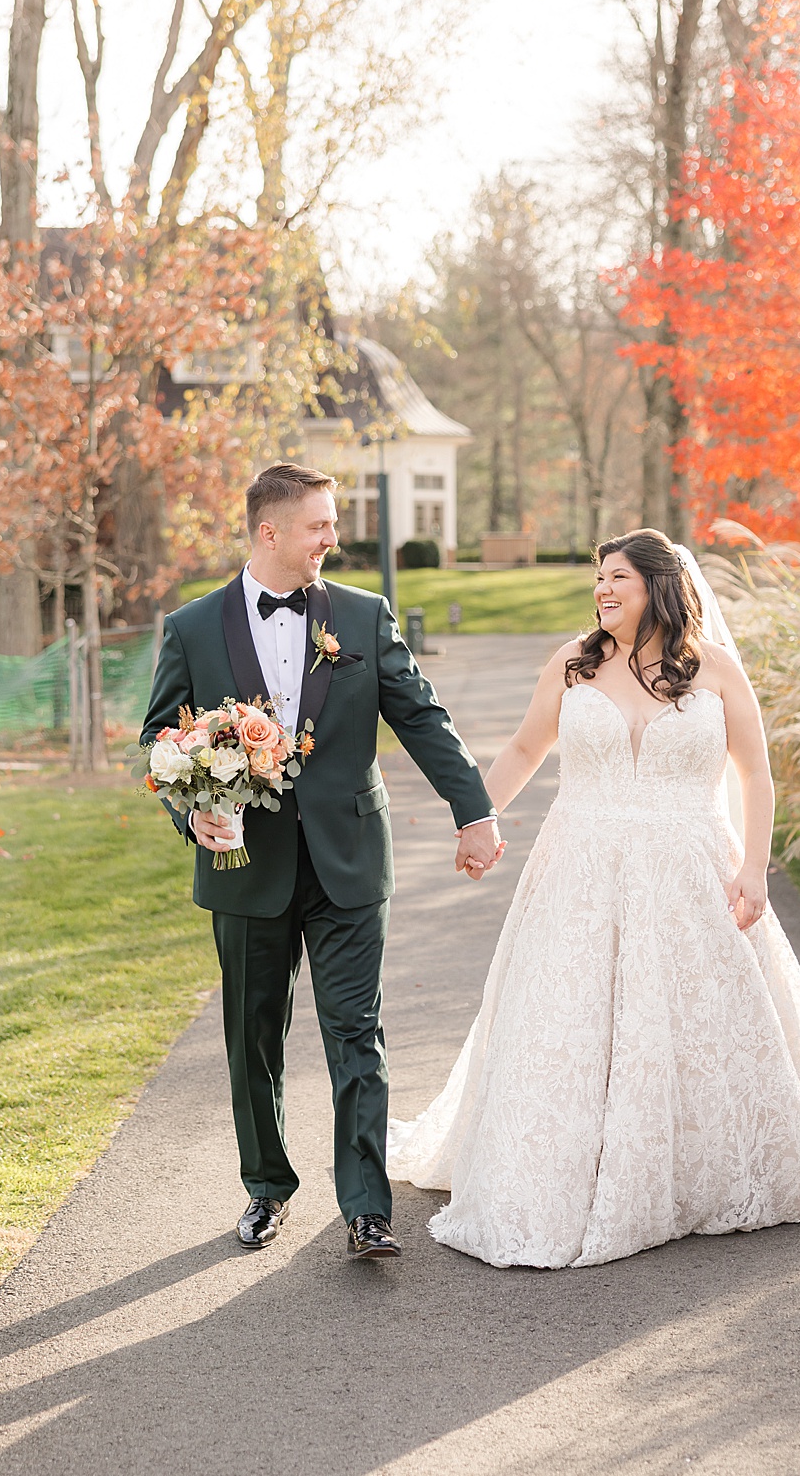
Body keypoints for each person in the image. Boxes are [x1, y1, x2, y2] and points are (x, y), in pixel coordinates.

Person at [386, 528, 800, 1268]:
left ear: (659, 585)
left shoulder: (718, 671)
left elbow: (757, 776)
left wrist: (755, 867)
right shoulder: (574, 665)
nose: (603, 590)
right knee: (573, 1014)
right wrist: (480, 820)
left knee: (687, 1017)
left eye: (618, 578)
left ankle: (691, 1166)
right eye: (598, 579)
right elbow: (520, 751)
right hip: (581, 864)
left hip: (690, 868)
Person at [141, 462, 505, 1260]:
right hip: (244, 866)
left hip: (348, 860)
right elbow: (159, 737)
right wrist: (193, 806)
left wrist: (472, 809)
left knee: (357, 1032)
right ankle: (266, 1188)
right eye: (319, 526)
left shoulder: (364, 616)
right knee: (253, 1036)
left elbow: (423, 717)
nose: (334, 538)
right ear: (269, 531)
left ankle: (367, 1208)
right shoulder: (193, 628)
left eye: (334, 523)